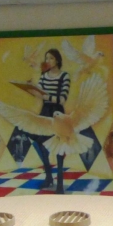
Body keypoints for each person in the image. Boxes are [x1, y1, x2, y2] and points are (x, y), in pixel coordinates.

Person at [30, 48, 70, 193]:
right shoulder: (44, 76)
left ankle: (59, 182)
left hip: (58, 113)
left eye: (51, 58)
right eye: (46, 58)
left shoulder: (64, 76)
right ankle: (48, 177)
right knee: (41, 143)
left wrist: (46, 96)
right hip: (45, 112)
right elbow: (40, 93)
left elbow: (62, 99)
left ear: (57, 60)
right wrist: (32, 90)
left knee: (60, 147)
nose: (47, 61)